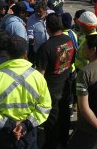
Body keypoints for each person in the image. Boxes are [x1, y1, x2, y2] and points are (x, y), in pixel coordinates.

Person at [0, 35, 52, 149]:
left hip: (4, 135)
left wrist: (10, 125)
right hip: (28, 134)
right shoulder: (37, 77)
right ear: (25, 53)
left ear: (7, 54)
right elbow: (45, 106)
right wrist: (25, 125)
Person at [36, 13, 74, 149]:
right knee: (64, 116)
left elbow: (40, 74)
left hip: (51, 90)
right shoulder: (69, 40)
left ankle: (50, 145)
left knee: (51, 122)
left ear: (47, 28)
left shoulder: (46, 47)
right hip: (65, 86)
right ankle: (64, 141)